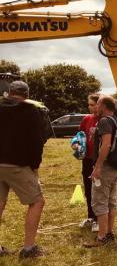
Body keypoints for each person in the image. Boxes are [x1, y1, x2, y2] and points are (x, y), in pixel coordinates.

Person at [0, 81, 45, 258]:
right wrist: (34, 165)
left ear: (9, 92)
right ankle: (28, 248)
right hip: (17, 165)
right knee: (37, 202)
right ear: (26, 94)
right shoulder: (30, 111)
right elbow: (36, 141)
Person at [84, 95, 117, 248]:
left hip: (105, 168)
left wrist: (98, 167)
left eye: (97, 104)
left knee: (100, 201)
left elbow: (105, 145)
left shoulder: (105, 121)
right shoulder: (115, 120)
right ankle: (109, 233)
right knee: (111, 201)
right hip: (114, 167)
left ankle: (102, 237)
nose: (95, 107)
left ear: (104, 106)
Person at [77, 94, 101, 233]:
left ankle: (99, 218)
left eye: (93, 104)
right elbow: (80, 135)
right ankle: (91, 216)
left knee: (98, 189)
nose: (90, 107)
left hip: (98, 160)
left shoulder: (104, 120)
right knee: (88, 188)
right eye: (89, 104)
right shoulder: (86, 119)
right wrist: (77, 144)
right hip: (87, 159)